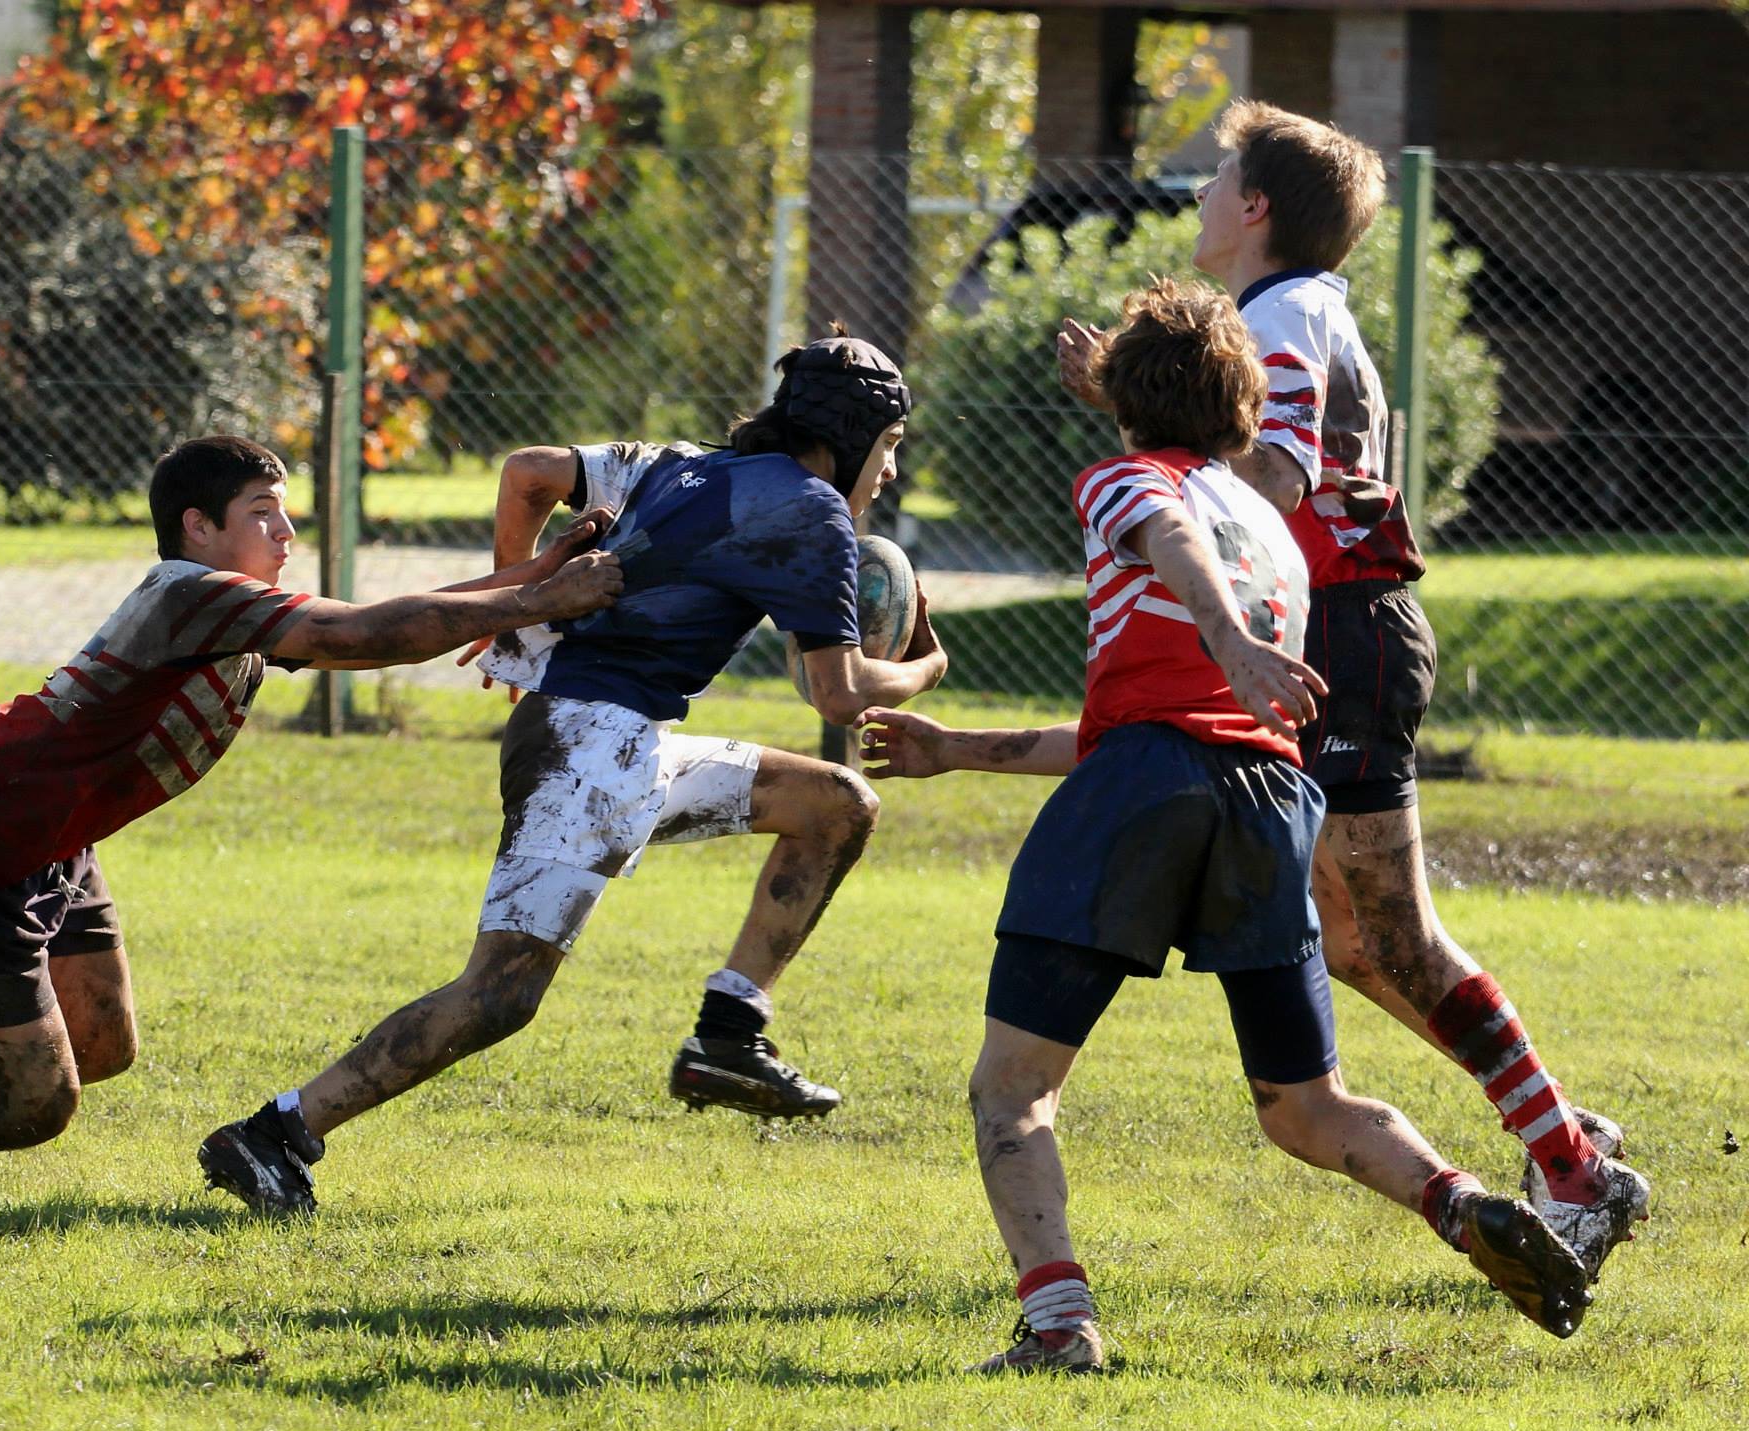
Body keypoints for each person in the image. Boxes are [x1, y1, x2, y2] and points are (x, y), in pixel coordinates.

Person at [863, 280, 1592, 1373]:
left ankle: (1060, 1325)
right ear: (1243, 409)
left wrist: (1230, 643)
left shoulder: (1125, 481)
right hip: (1267, 797)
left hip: (1147, 788)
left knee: (1012, 1090)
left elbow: (1165, 544)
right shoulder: (1273, 532)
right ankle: (1460, 1203)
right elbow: (1155, 716)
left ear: (1122, 394)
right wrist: (955, 747)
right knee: (1304, 1106)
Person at [1053, 100, 1647, 1283]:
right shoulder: (1289, 309)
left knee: (1388, 934)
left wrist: (1134, 417)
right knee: (1353, 943)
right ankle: (1557, 1128)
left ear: (1255, 207)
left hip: (1344, 633)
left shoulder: (1282, 314)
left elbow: (1273, 476)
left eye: (1215, 177)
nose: (1199, 196)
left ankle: (1575, 1167)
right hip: (1327, 631)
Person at [198, 334, 949, 1215]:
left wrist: (515, 614)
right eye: (889, 446)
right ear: (852, 433)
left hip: (615, 740)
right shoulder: (814, 509)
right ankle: (277, 1131)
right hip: (590, 750)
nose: (888, 471)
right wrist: (928, 666)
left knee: (835, 803)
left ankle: (729, 1032)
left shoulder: (677, 463)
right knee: (499, 993)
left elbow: (527, 472)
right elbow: (840, 692)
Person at [0, 435, 623, 1172]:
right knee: (36, 1103)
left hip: (49, 842)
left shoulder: (230, 609)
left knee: (101, 1041)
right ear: (199, 527)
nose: (286, 532)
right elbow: (355, 634)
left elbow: (368, 619)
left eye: (285, 513)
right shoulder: (190, 593)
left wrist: (535, 572)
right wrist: (539, 600)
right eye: (262, 512)